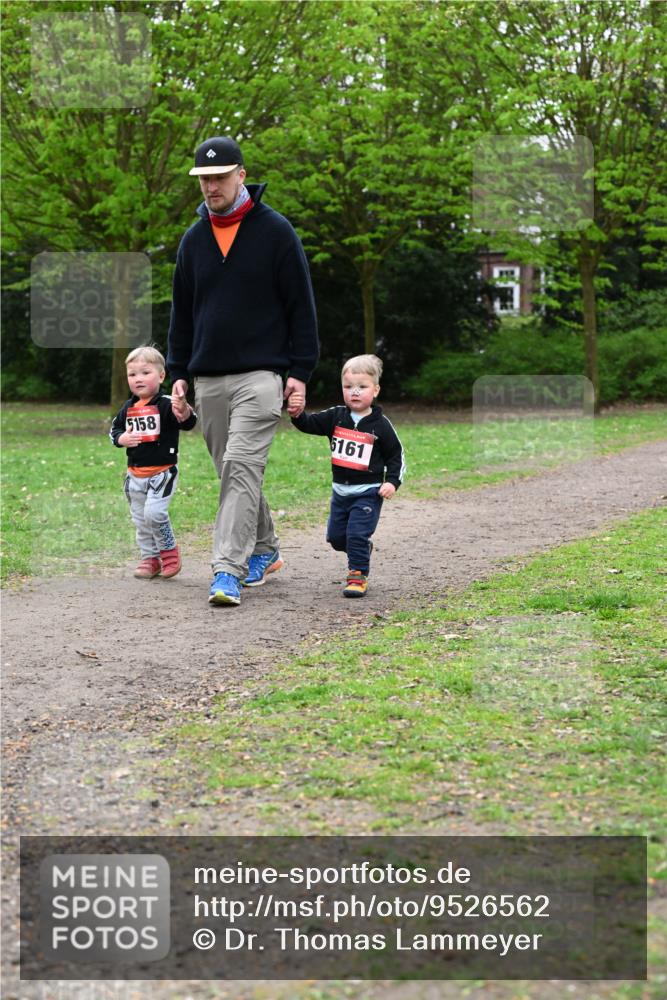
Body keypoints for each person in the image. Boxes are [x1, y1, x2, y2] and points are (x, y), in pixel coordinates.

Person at [167, 136, 319, 606]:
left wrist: (301, 369)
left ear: (241, 175)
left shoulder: (275, 231)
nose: (210, 186)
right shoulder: (193, 241)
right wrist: (177, 370)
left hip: (262, 377)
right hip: (208, 378)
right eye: (203, 179)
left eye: (218, 177)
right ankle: (267, 547)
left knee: (240, 467)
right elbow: (183, 314)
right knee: (235, 472)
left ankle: (225, 571)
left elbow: (301, 305)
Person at [291, 354, 405, 597]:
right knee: (336, 538)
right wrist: (297, 414)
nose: (354, 392)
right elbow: (309, 424)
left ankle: (357, 575)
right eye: (348, 387)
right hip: (340, 493)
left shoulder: (381, 425)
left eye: (362, 387)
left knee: (356, 534)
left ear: (375, 390)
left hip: (368, 493)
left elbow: (396, 455)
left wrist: (392, 482)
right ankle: (361, 548)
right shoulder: (336, 416)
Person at [110, 345, 197, 579]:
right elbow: (114, 430)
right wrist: (122, 438)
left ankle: (169, 552)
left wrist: (184, 410)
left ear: (161, 375)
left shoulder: (167, 403)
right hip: (135, 475)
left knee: (155, 514)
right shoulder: (127, 408)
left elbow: (189, 422)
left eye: (145, 372)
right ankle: (150, 558)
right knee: (140, 519)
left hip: (162, 473)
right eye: (132, 374)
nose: (138, 379)